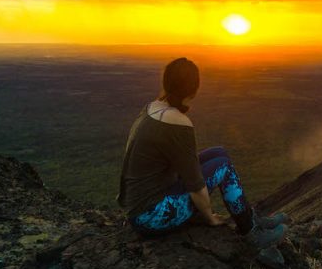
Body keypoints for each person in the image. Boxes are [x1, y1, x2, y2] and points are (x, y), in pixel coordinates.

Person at [117, 57, 288, 249]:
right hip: (151, 217)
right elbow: (195, 185)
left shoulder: (152, 108)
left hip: (140, 207)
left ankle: (250, 216)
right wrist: (209, 217)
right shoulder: (177, 122)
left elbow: (184, 166)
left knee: (219, 153)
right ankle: (250, 231)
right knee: (223, 167)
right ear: (192, 90)